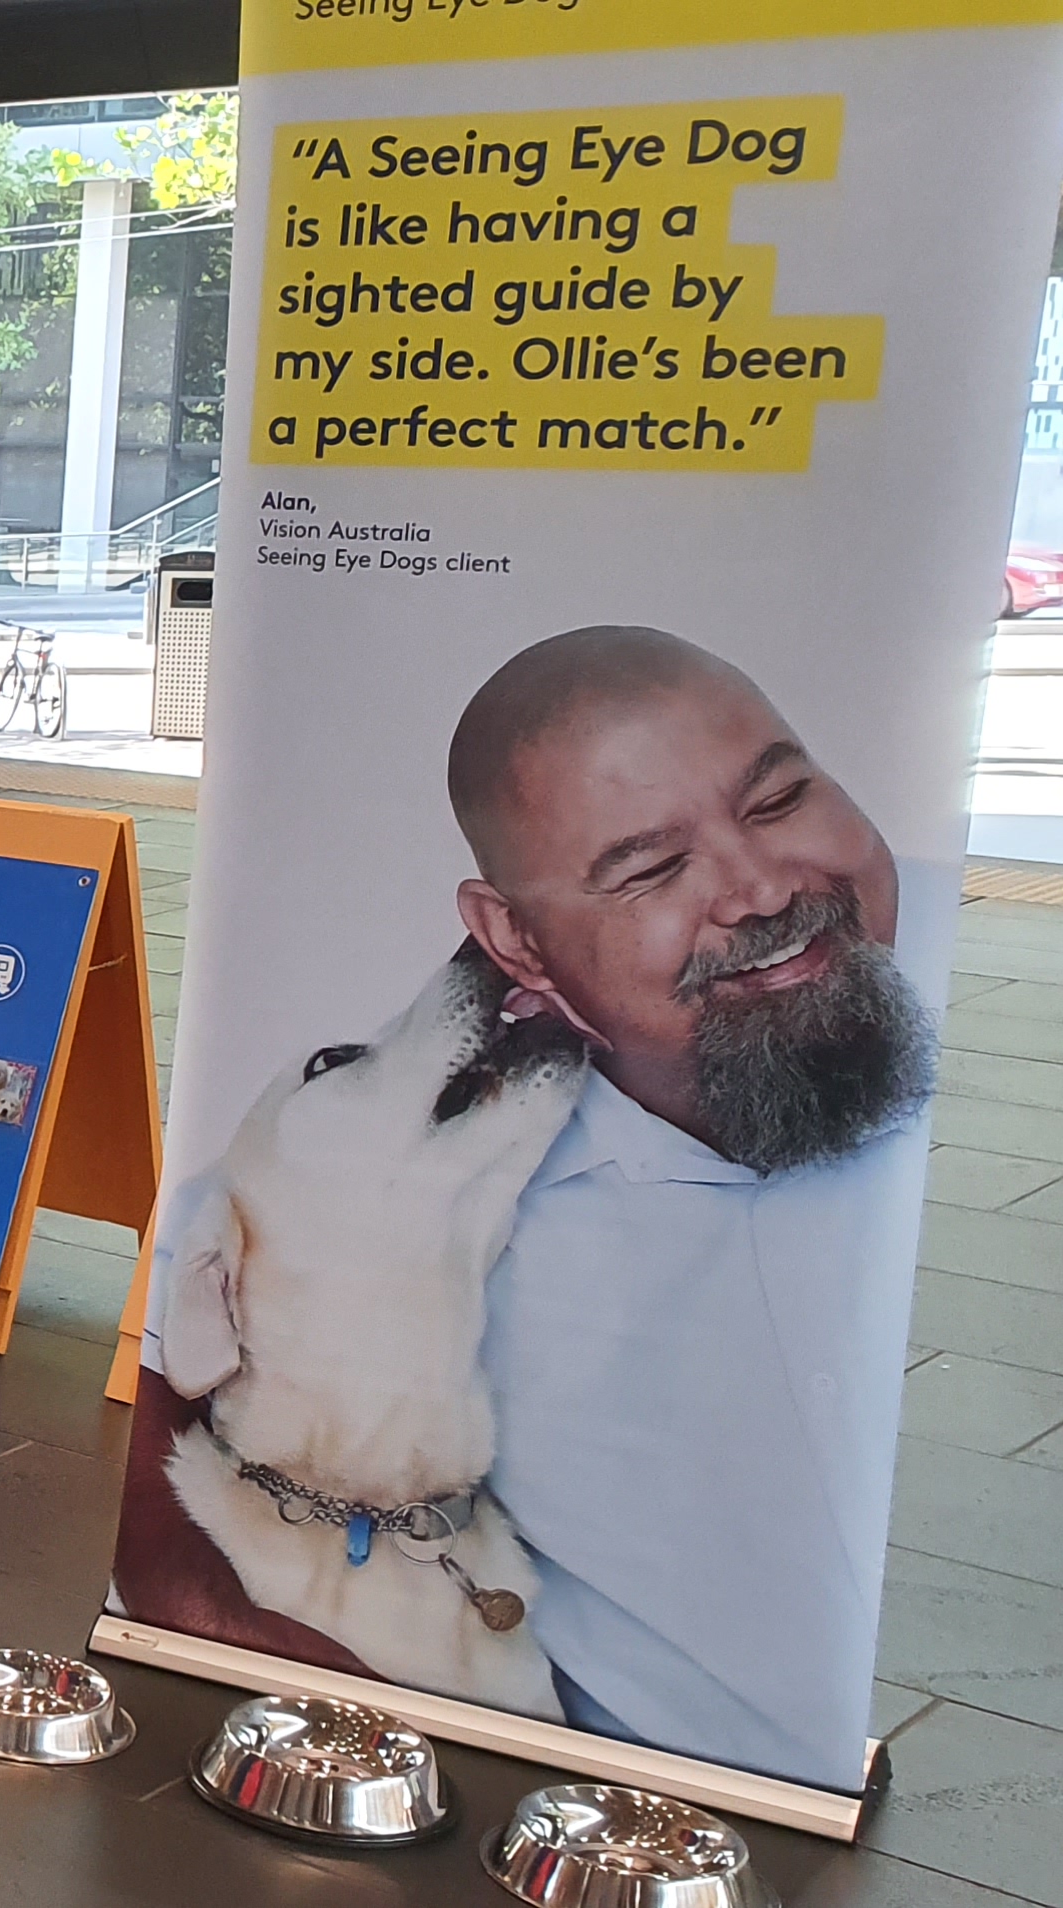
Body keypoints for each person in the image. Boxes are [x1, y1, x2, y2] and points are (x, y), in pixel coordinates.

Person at [119, 626, 928, 1792]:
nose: (759, 889)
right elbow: (168, 1433)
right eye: (652, 870)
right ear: (515, 942)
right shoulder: (367, 1201)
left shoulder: (943, 985)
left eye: (783, 798)